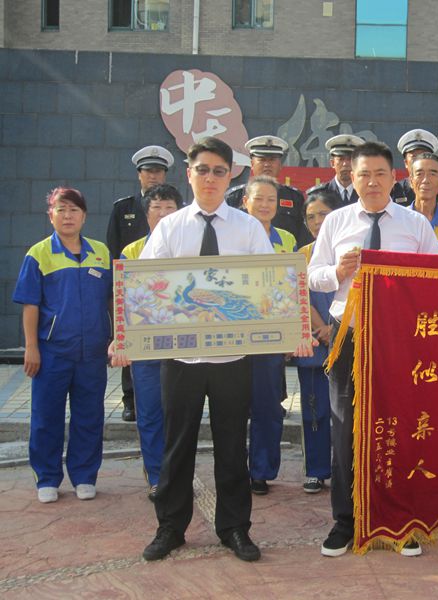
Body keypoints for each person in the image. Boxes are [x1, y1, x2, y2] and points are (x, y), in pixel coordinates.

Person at [126, 137, 274, 563]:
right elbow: (147, 287)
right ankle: (170, 527)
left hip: (232, 359)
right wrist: (128, 333)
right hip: (182, 359)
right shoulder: (170, 228)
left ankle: (235, 528)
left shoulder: (248, 228)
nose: (210, 178)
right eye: (203, 170)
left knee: (232, 444)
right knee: (177, 445)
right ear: (189, 174)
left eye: (219, 171)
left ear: (231, 176)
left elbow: (268, 285)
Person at [308, 141, 438, 557]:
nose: (371, 182)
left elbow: (436, 278)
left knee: (399, 424)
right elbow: (313, 275)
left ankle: (398, 520)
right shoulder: (337, 221)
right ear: (352, 177)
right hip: (348, 330)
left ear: (394, 178)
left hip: (399, 334)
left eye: (380, 174)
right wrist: (337, 272)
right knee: (344, 424)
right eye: (363, 174)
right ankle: (345, 521)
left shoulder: (415, 224)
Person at [14, 187, 112, 504]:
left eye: (74, 210)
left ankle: (84, 476)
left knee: (89, 416)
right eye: (61, 210)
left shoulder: (101, 252)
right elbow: (30, 304)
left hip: (92, 352)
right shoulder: (39, 254)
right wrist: (31, 347)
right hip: (52, 352)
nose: (67, 216)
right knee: (46, 416)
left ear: (84, 216)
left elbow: (115, 298)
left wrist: (115, 338)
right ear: (51, 215)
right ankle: (47, 478)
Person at [120, 184, 184, 501]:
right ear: (146, 215)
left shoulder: (189, 248)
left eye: (169, 208)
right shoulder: (131, 251)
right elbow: (121, 299)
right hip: (145, 347)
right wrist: (120, 340)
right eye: (156, 208)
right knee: (149, 413)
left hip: (182, 347)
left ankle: (178, 475)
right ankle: (157, 477)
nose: (162, 214)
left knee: (180, 415)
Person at [107, 145, 175, 422]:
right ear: (139, 174)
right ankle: (130, 399)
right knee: (132, 345)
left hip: (169, 300)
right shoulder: (123, 208)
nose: (153, 176)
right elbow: (115, 251)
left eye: (158, 171)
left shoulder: (177, 211)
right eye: (148, 171)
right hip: (136, 293)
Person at [241, 175, 297, 495]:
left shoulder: (286, 240)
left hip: (271, 337)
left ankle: (260, 471)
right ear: (245, 202)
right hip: (234, 336)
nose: (264, 205)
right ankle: (235, 469)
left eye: (271, 200)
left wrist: (292, 333)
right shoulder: (231, 235)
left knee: (268, 406)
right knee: (233, 407)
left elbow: (294, 289)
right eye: (258, 198)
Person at [296, 189, 338, 493]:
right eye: (311, 217)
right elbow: (300, 296)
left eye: (323, 214)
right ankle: (316, 469)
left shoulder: (352, 251)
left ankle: (349, 469)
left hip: (348, 338)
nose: (317, 221)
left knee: (348, 411)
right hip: (315, 344)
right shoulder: (302, 255)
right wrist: (322, 327)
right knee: (315, 409)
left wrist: (336, 328)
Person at [224, 135, 310, 246]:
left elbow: (303, 240)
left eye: (272, 160)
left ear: (280, 165)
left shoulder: (294, 197)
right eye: (262, 160)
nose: (267, 165)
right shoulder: (234, 197)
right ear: (252, 164)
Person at [391, 128, 438, 217]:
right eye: (414, 157)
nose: (419, 161)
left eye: (423, 156)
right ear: (406, 163)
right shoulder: (395, 191)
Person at [305, 134, 365, 207]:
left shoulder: (366, 194)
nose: (345, 164)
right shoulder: (318, 195)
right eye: (341, 159)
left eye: (350, 159)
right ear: (332, 163)